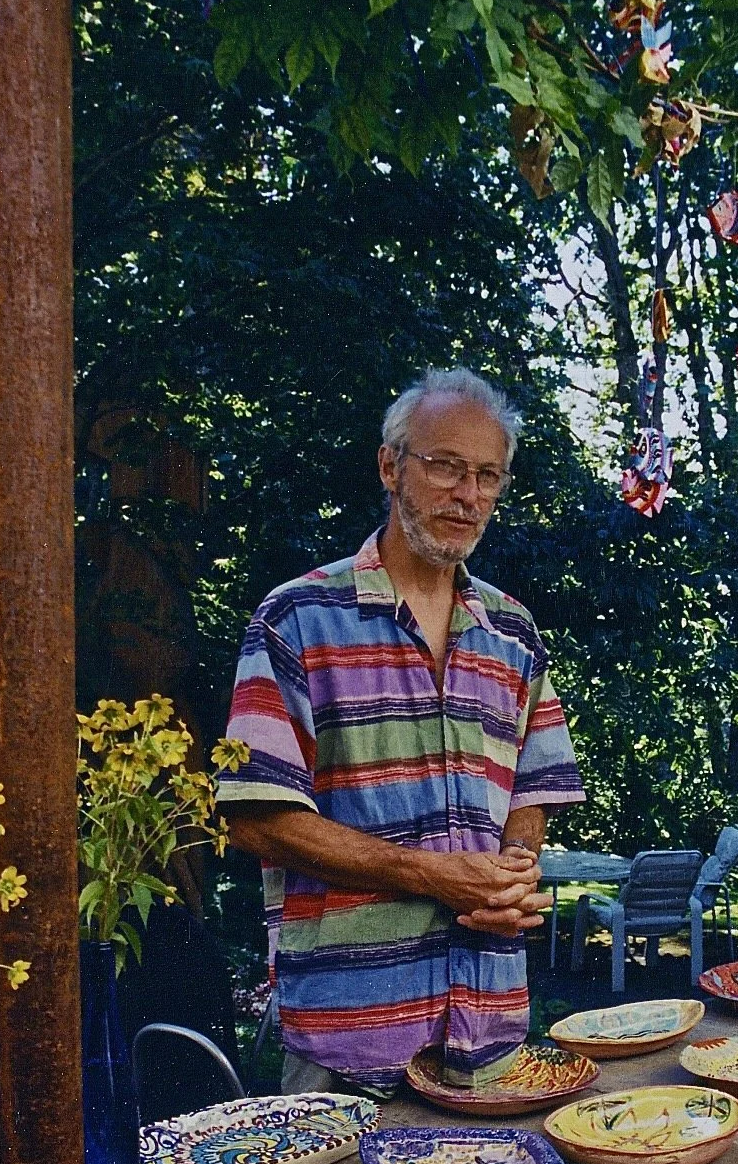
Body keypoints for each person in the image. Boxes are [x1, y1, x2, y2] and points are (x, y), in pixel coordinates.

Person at [217, 368, 585, 1096]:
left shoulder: (512, 629)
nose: (468, 494)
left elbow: (533, 786)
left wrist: (510, 867)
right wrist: (432, 874)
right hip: (350, 1035)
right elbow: (255, 817)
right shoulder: (298, 617)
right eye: (445, 465)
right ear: (390, 465)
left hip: (489, 1027)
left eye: (487, 475)